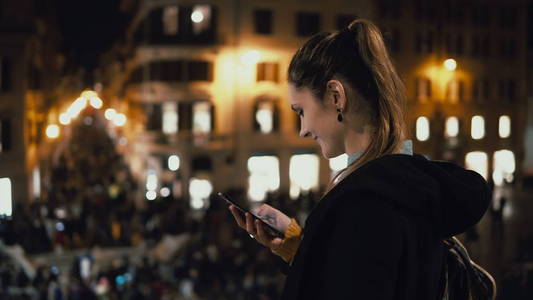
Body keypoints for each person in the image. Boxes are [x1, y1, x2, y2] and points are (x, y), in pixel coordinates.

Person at [229, 18, 490, 299]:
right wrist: (297, 247)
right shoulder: (408, 188)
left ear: (335, 95)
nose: (303, 129)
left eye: (300, 110)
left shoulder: (362, 205)